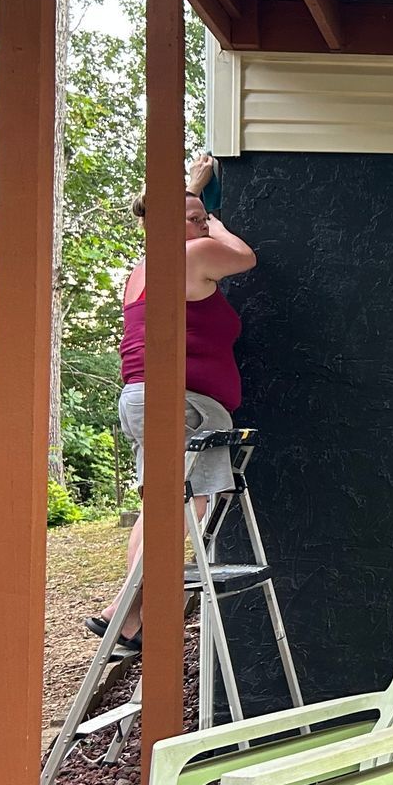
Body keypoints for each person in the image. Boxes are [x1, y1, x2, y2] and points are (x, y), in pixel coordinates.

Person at [86, 154, 256, 655]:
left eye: (202, 218)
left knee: (159, 505)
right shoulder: (196, 254)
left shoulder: (143, 269)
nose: (202, 224)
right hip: (183, 403)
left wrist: (193, 193)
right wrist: (215, 222)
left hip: (146, 398)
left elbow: (167, 214)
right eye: (194, 219)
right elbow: (244, 257)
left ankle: (128, 618)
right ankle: (122, 612)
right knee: (188, 505)